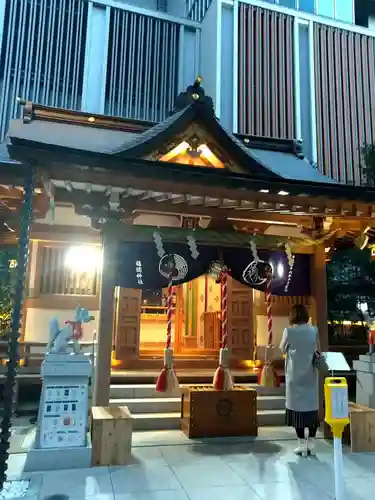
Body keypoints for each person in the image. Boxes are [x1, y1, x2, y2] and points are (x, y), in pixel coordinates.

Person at [279, 304, 319, 457]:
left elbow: (281, 349)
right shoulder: (313, 330)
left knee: (297, 412)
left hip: (295, 376)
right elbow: (317, 349)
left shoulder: (289, 331)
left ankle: (301, 446)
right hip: (310, 374)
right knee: (311, 410)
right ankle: (312, 444)